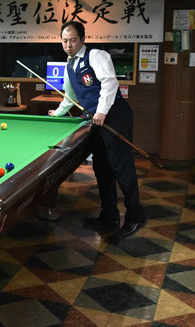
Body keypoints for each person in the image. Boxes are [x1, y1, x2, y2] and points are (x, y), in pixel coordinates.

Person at [48, 21, 148, 238]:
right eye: (64, 41)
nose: (68, 45)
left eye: (73, 40)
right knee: (102, 168)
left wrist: (102, 111)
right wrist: (58, 113)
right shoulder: (69, 65)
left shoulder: (96, 55)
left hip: (115, 116)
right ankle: (109, 215)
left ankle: (136, 216)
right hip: (97, 120)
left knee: (121, 168)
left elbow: (110, 83)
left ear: (82, 39)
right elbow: (70, 96)